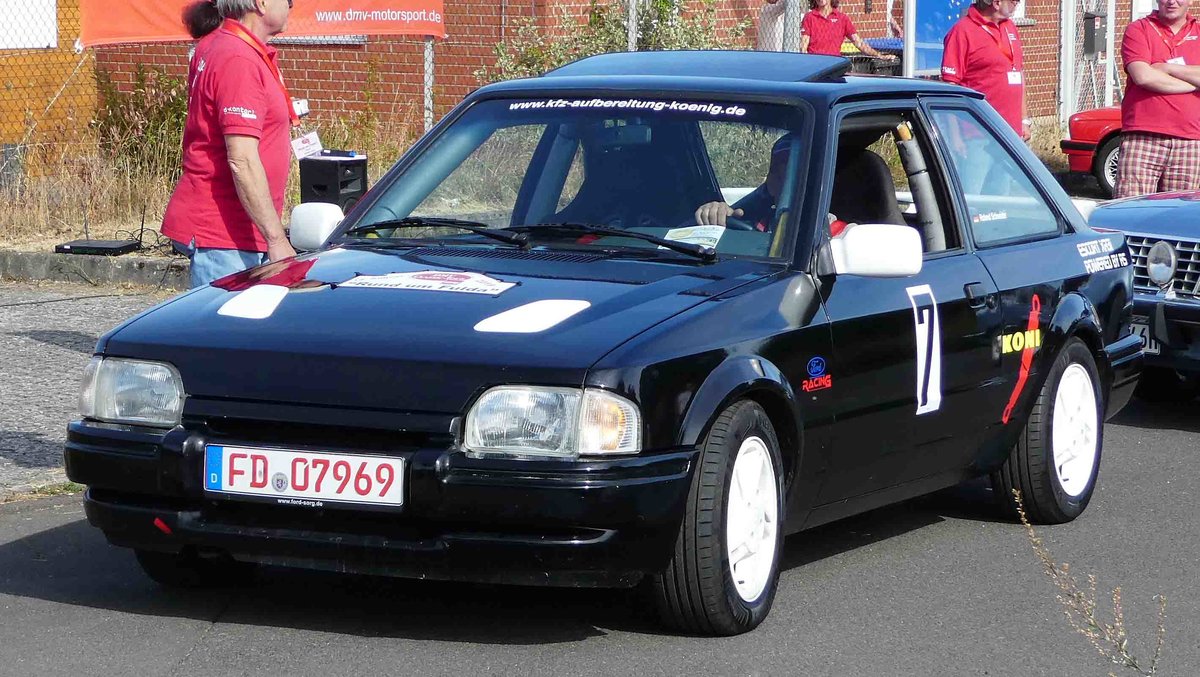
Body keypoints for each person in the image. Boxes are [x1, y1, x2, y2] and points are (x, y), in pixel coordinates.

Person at [163, 0, 299, 289]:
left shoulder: (226, 45)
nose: (292, 5)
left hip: (234, 233)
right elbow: (242, 159)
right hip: (225, 236)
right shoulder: (238, 59)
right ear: (261, 3)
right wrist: (277, 240)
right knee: (227, 318)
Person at [1113, 0, 1200, 198]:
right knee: (1130, 207)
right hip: (1143, 137)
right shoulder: (1139, 29)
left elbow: (1153, 74)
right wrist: (1194, 82)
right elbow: (1143, 76)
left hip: (1190, 140)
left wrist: (1167, 68)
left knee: (1179, 213)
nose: (1171, 1)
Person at [941, 0, 1030, 141]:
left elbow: (1018, 72)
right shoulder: (962, 31)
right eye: (1013, 0)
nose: (1017, 2)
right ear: (996, 3)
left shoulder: (1010, 27)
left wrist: (1024, 120)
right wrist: (955, 138)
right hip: (978, 134)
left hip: (1012, 134)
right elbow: (950, 88)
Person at [694, 134, 796, 229]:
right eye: (792, 177)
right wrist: (715, 215)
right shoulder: (757, 226)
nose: (800, 192)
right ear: (771, 182)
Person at [800, 0, 895, 59]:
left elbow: (859, 43)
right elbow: (803, 46)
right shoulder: (809, 17)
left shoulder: (842, 18)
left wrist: (879, 55)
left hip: (834, 65)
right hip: (815, 63)